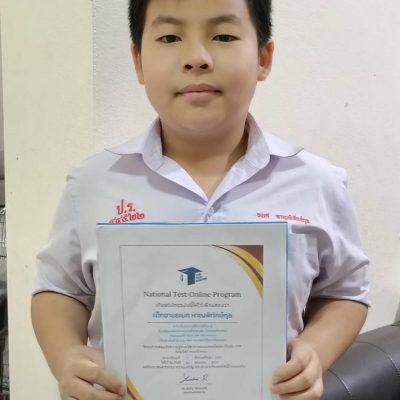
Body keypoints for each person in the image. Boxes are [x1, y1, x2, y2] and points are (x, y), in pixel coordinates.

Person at [31, 0, 370, 399]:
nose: (196, 57)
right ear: (139, 62)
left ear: (263, 58)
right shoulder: (92, 183)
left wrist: (315, 349)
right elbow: (60, 289)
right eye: (169, 37)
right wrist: (66, 356)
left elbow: (345, 291)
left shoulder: (317, 183)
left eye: (223, 36)